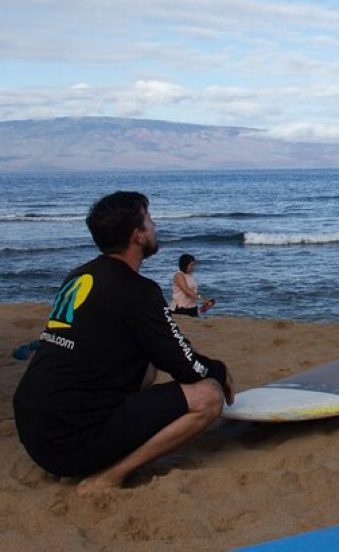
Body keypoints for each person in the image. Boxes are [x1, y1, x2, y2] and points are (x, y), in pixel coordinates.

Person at [13, 191, 235, 495]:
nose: (155, 225)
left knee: (147, 364)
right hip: (71, 443)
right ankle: (110, 476)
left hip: (34, 430)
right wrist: (219, 371)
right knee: (208, 395)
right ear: (137, 236)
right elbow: (185, 366)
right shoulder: (137, 290)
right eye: (149, 220)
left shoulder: (78, 276)